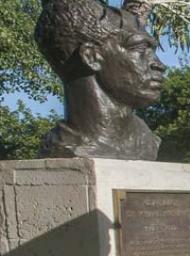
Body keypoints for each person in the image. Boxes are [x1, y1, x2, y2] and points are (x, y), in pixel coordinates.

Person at [34, 0, 165, 160]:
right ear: (91, 57)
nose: (159, 65)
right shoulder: (65, 146)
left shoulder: (146, 142)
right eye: (138, 49)